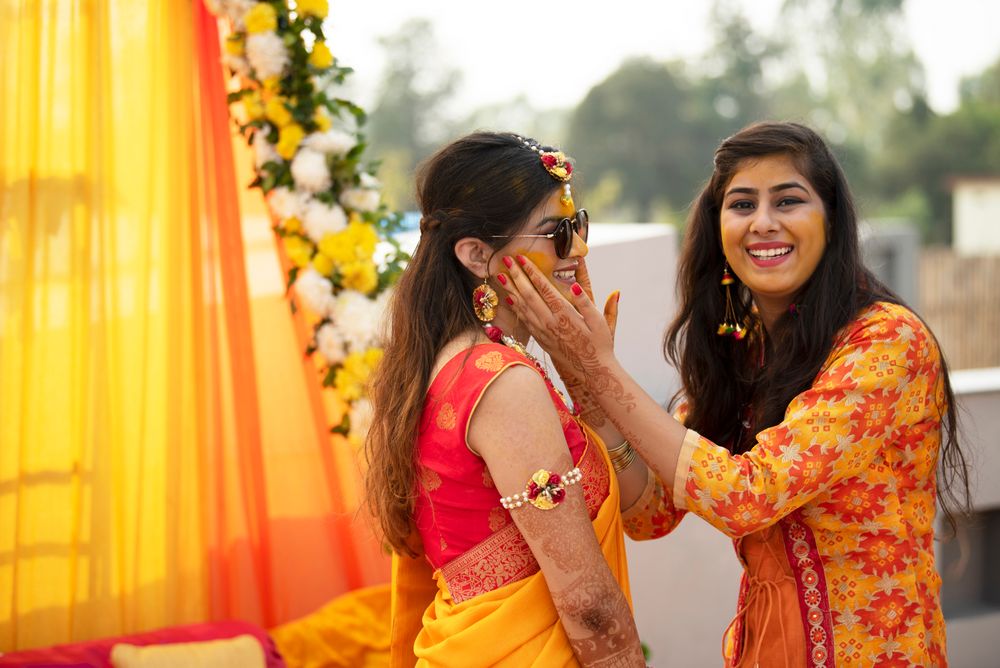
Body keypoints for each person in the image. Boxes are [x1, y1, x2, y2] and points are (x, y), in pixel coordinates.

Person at [500, 121, 970, 667]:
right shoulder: (745, 348)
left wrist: (600, 368)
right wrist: (583, 384)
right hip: (766, 648)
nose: (763, 223)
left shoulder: (885, 341)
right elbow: (650, 512)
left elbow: (747, 497)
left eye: (788, 201)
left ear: (832, 219)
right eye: (742, 204)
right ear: (718, 225)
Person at [364, 131, 648, 667]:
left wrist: (585, 373)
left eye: (578, 224)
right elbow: (587, 604)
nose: (579, 250)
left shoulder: (446, 361)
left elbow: (634, 499)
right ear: (475, 254)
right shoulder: (502, 383)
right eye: (555, 233)